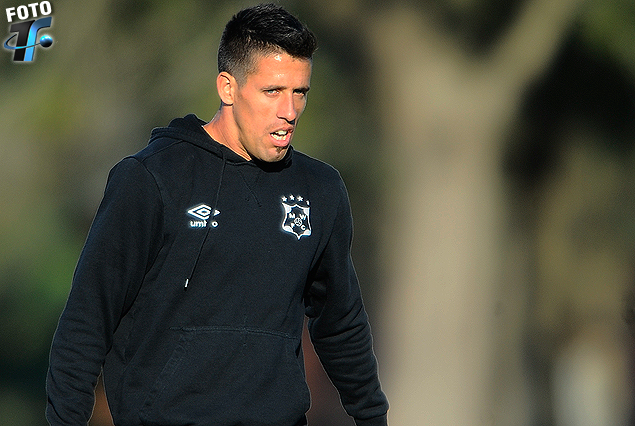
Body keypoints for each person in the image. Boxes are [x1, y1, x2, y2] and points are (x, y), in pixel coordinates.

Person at [46, 3, 388, 426]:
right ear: (228, 88)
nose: (290, 111)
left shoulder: (320, 190)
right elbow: (86, 322)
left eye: (300, 92)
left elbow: (341, 324)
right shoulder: (152, 178)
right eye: (272, 91)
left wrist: (373, 417)